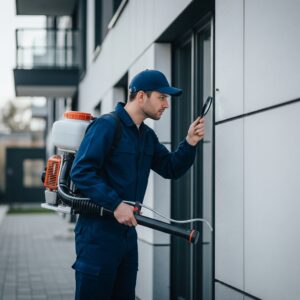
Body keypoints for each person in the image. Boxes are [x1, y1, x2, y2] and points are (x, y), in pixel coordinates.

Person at [70, 69, 205, 300]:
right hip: (97, 236)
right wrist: (115, 204)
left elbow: (170, 167)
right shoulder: (107, 125)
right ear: (141, 96)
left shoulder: (146, 136)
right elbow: (81, 172)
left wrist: (190, 142)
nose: (166, 104)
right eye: (162, 97)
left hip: (127, 237)